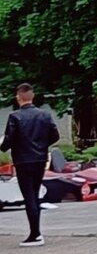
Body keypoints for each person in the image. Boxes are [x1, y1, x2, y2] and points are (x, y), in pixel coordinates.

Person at [1, 82, 60, 243]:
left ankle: (35, 234)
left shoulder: (15, 117)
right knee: (35, 194)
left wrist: (3, 146)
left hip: (22, 160)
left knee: (29, 197)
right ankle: (37, 232)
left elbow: (9, 139)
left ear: (18, 97)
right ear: (32, 96)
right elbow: (55, 136)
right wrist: (42, 145)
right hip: (40, 158)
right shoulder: (44, 115)